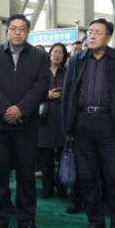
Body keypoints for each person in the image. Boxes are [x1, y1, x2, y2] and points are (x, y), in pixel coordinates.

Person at [62, 19, 115, 228]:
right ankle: (95, 222)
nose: (92, 36)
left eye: (98, 32)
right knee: (87, 178)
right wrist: (67, 126)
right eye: (90, 32)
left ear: (108, 37)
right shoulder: (77, 59)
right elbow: (68, 93)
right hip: (82, 123)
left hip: (110, 124)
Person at [0, 14, 51, 228]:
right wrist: (6, 110)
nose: (17, 32)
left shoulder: (39, 57)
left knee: (26, 175)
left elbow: (41, 86)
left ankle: (26, 221)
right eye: (13, 28)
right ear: (7, 31)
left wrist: (21, 109)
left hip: (26, 126)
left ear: (28, 32)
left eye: (22, 29)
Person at [38, 43, 69, 199]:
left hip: (63, 118)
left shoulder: (68, 72)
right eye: (55, 52)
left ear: (64, 56)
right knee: (46, 159)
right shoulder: (41, 72)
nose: (57, 55)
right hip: (45, 119)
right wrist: (47, 95)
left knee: (64, 157)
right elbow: (33, 93)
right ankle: (47, 189)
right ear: (49, 54)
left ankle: (62, 187)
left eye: (60, 53)